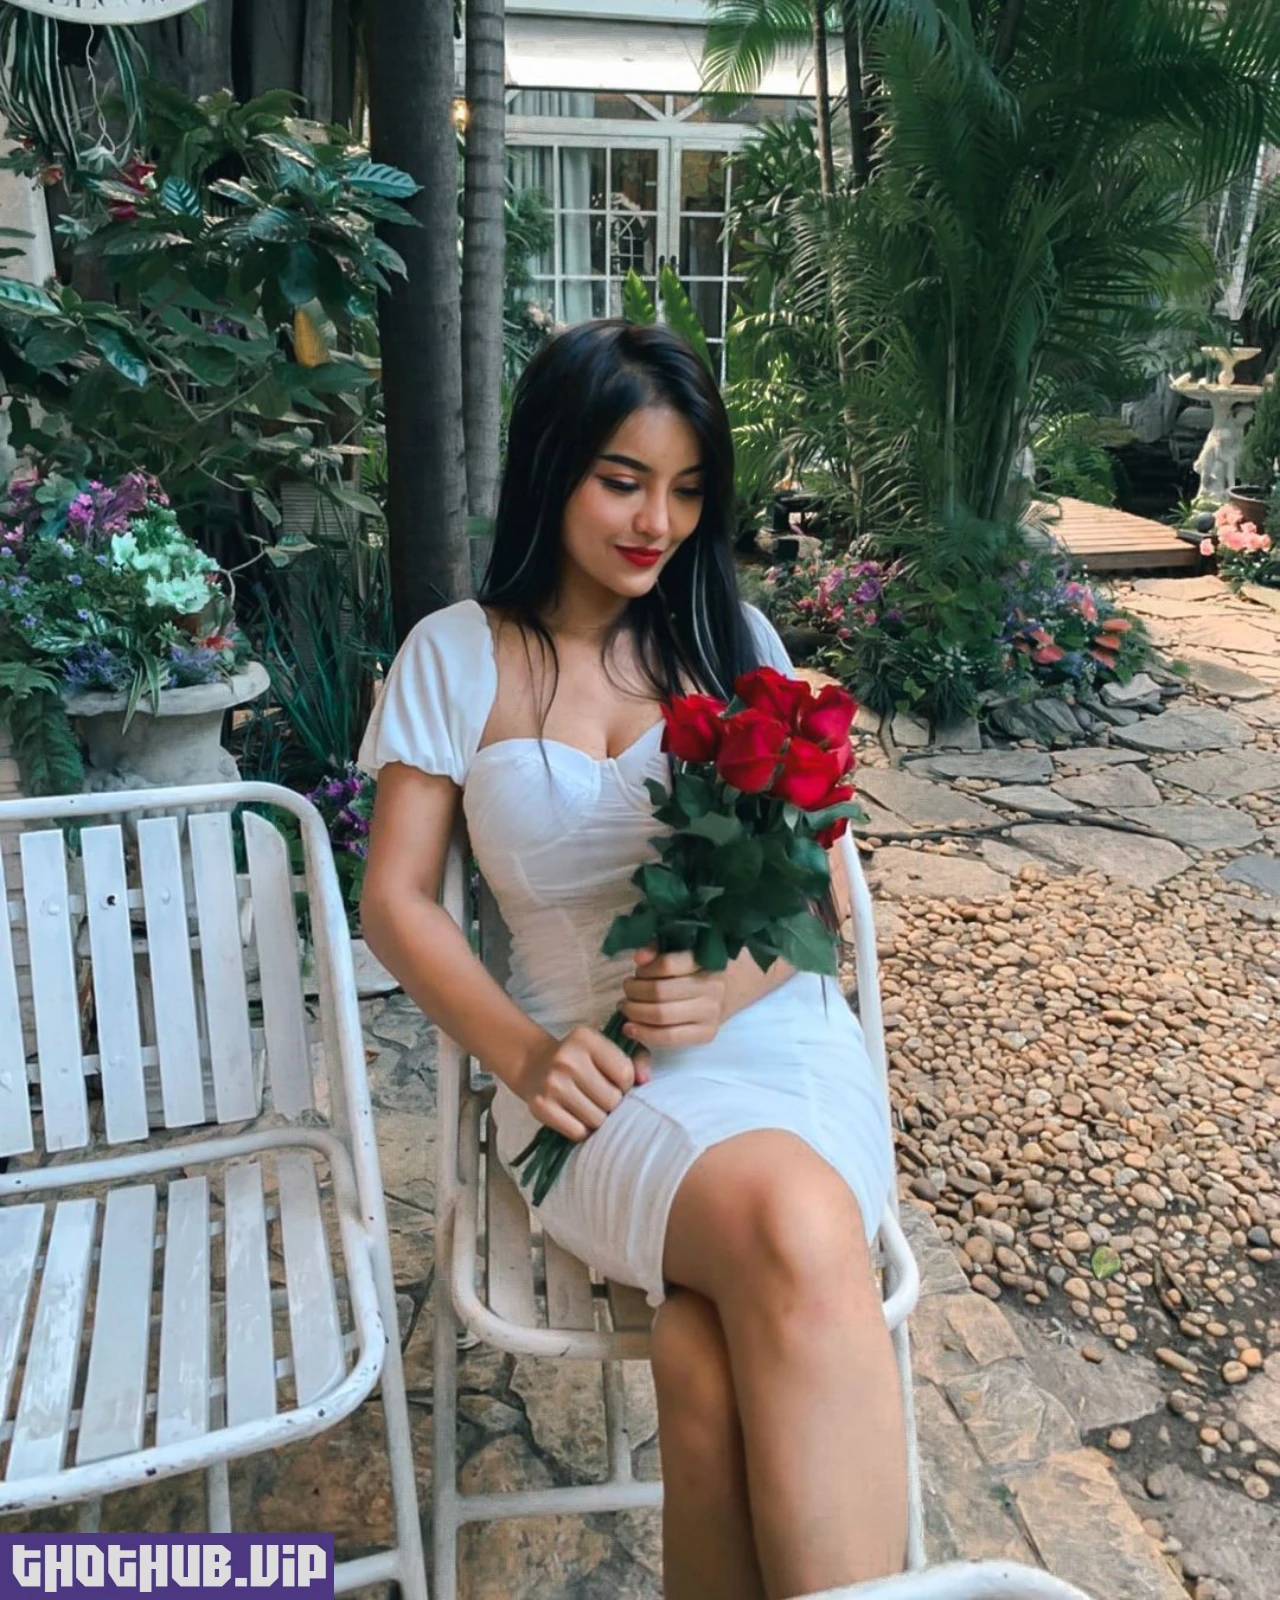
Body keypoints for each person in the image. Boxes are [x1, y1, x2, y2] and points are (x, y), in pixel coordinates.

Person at [358, 320, 907, 1599]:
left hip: (782, 1043)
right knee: (793, 1223)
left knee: (707, 1363)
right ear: (552, 466)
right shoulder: (456, 652)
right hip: (587, 1085)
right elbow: (394, 900)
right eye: (622, 480)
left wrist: (730, 981)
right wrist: (525, 1054)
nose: (657, 521)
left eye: (687, 488)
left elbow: (815, 890)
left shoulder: (734, 639)